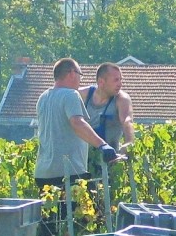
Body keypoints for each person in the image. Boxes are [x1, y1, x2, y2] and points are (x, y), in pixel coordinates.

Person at [36, 58, 122, 190]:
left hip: (43, 173)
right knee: (73, 210)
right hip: (67, 172)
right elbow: (77, 123)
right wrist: (103, 145)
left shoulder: (43, 97)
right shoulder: (71, 95)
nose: (80, 79)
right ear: (71, 73)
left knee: (52, 210)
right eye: (79, 74)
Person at [80, 62, 135, 176]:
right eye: (116, 80)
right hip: (82, 163)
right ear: (101, 82)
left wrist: (129, 142)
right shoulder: (82, 95)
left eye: (121, 79)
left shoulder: (121, 99)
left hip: (109, 161)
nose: (120, 84)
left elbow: (127, 121)